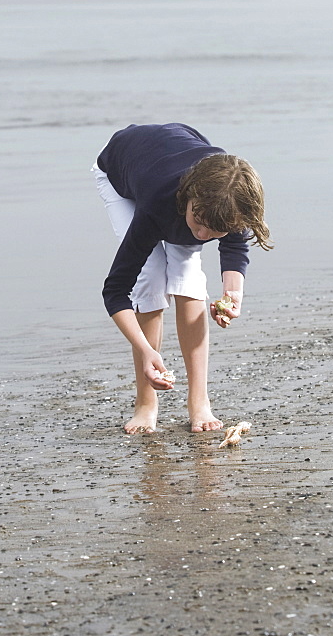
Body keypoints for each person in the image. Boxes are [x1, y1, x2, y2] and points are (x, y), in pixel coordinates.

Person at [92, 123, 272, 435]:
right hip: (122, 170)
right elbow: (116, 290)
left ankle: (199, 401)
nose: (202, 236)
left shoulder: (231, 200)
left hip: (177, 161)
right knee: (149, 276)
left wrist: (233, 296)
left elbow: (234, 246)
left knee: (188, 276)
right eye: (199, 223)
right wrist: (146, 349)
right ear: (189, 198)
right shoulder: (157, 204)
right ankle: (146, 403)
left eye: (213, 232)